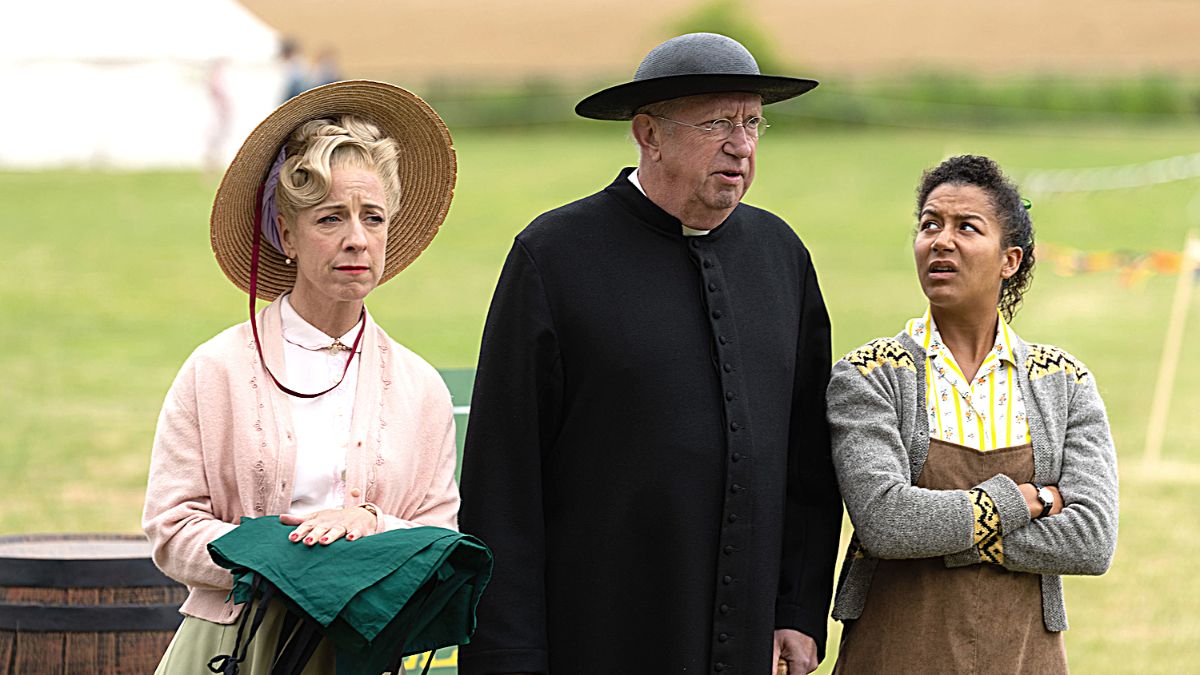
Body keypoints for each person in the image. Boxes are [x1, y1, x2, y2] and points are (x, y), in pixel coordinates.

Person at [458, 33, 843, 675]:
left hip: (750, 643)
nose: (742, 145)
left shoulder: (782, 257)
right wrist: (510, 655)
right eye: (717, 122)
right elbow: (503, 481)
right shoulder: (554, 256)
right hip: (597, 638)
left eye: (753, 123)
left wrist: (797, 612)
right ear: (648, 133)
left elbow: (808, 464)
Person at [142, 80, 459, 673]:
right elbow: (169, 526)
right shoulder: (216, 370)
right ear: (287, 234)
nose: (356, 239)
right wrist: (286, 560)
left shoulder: (420, 389)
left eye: (372, 217)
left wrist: (367, 523)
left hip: (358, 654)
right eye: (330, 218)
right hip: (229, 651)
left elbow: (438, 535)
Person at [826, 155, 1119, 673]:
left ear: (1010, 260)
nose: (941, 240)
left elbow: (1091, 540)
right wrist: (1029, 500)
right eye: (929, 224)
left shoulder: (1065, 381)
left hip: (1025, 655)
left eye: (967, 227)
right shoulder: (868, 375)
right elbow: (886, 523)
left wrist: (945, 533)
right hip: (894, 652)